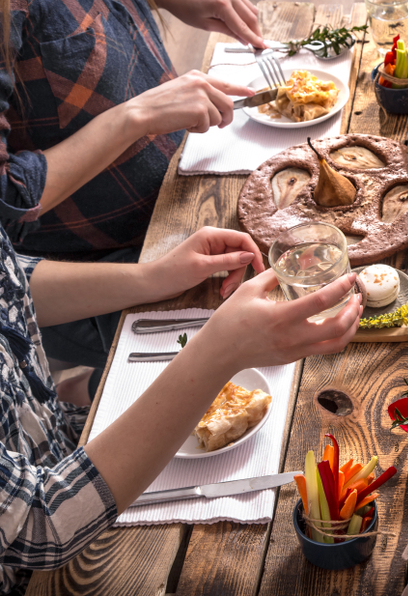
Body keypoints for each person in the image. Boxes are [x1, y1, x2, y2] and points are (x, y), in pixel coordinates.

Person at [0, 223, 363, 594]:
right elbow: (38, 525)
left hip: (55, 435)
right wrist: (218, 353)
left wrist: (152, 277)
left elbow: (9, 279)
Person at [0, 0, 266, 398]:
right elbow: (6, 203)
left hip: (181, 195)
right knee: (249, 355)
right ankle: (88, 392)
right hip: (97, 267)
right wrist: (134, 117)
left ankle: (86, 389)